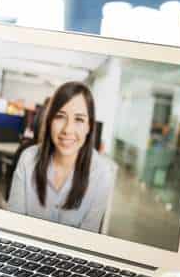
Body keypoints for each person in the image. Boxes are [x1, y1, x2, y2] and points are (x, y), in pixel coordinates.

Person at [7, 81, 117, 233]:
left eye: (79, 119)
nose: (68, 129)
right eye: (60, 116)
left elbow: (87, 240)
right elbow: (13, 225)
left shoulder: (101, 174)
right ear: (50, 121)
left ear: (89, 126)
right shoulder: (28, 159)